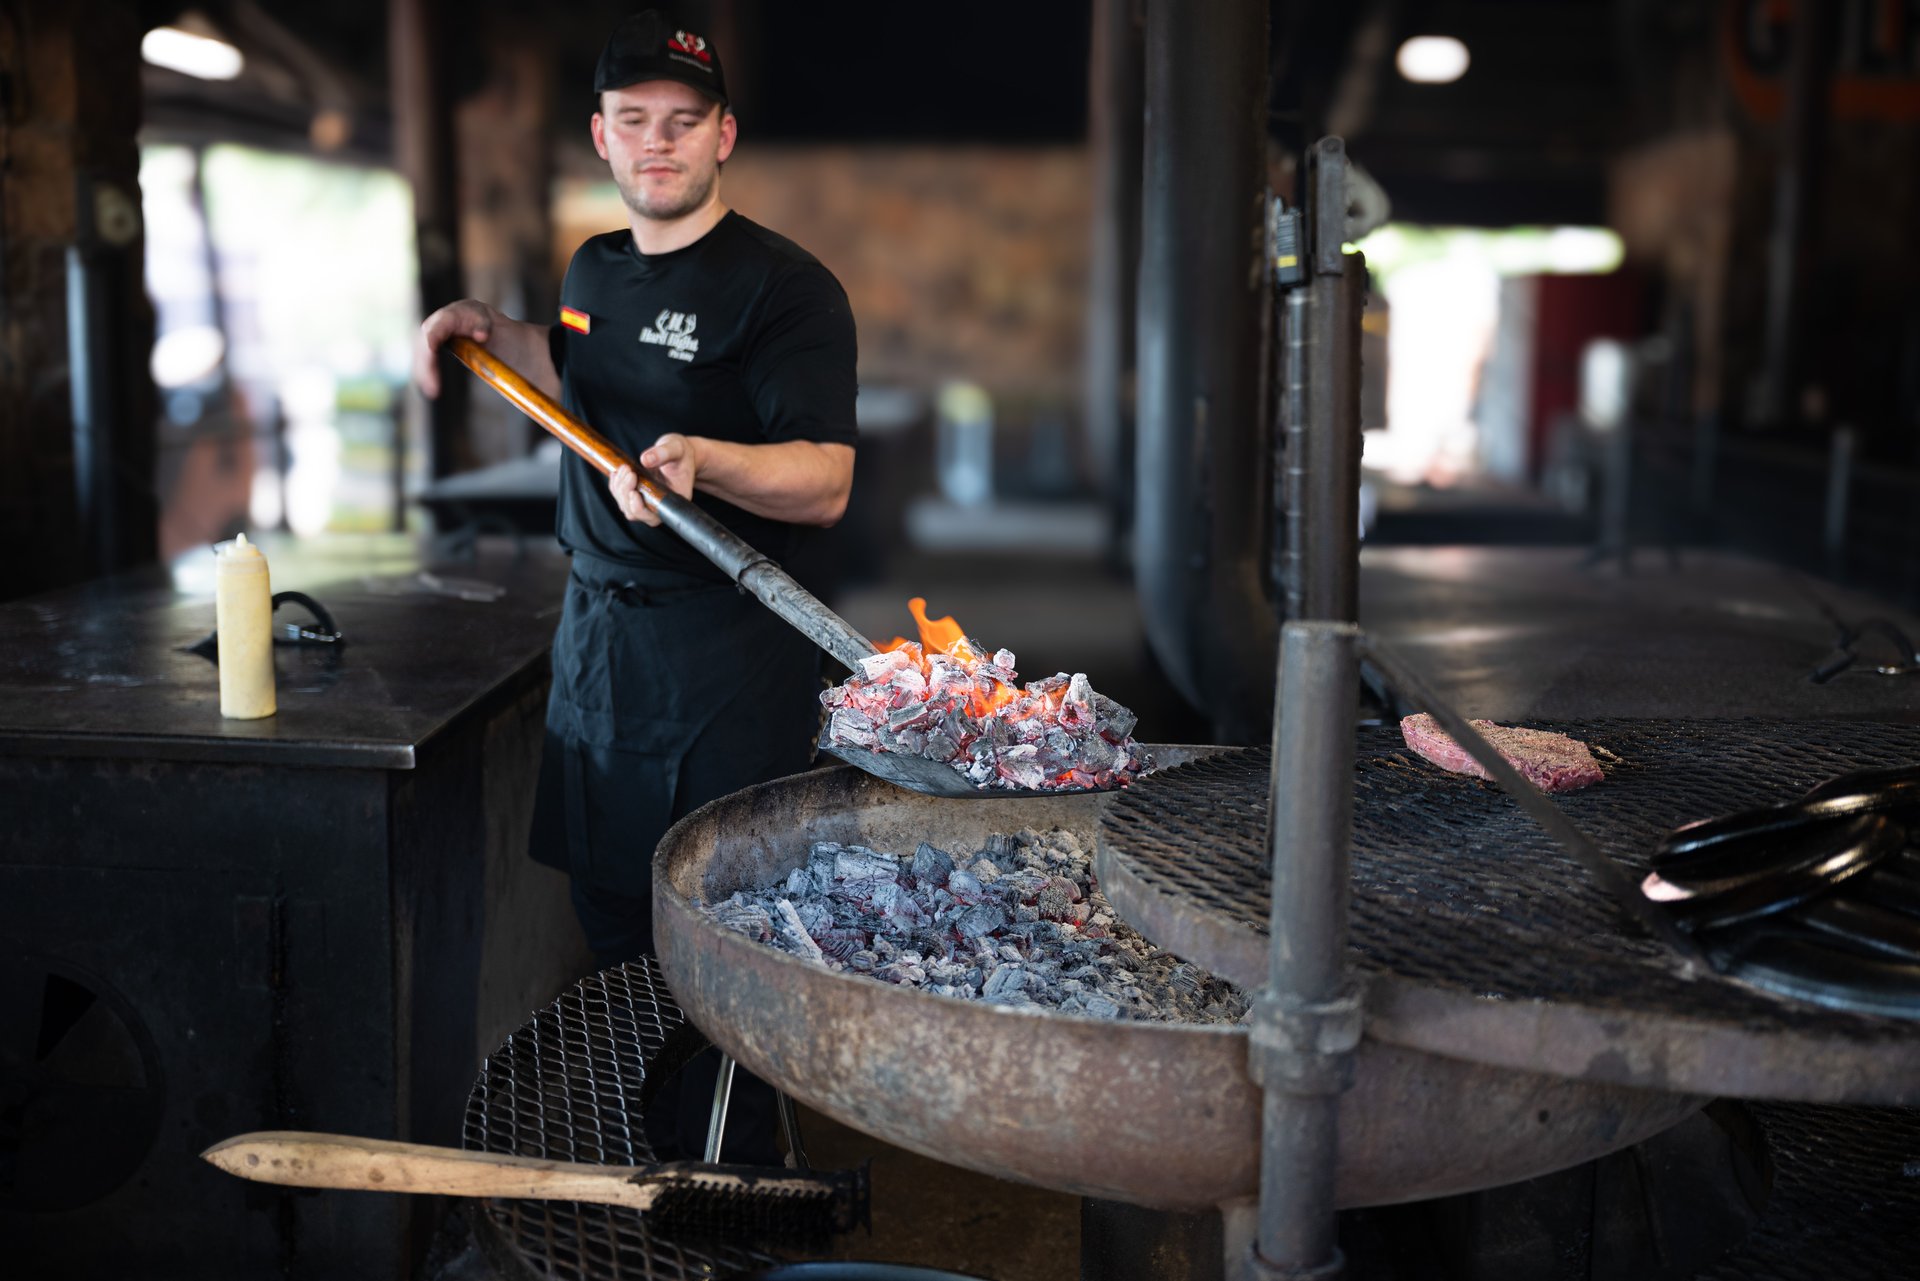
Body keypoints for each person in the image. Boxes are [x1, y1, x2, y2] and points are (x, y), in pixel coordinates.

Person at [414, 11, 857, 973]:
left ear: (723, 136)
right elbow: (573, 360)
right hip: (598, 650)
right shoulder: (592, 269)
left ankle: (728, 1130)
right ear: (601, 134)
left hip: (723, 659)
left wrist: (710, 457)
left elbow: (825, 480)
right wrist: (491, 325)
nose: (658, 140)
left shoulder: (785, 289)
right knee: (609, 924)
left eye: (683, 120)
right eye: (635, 117)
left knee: (725, 940)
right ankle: (645, 1121)